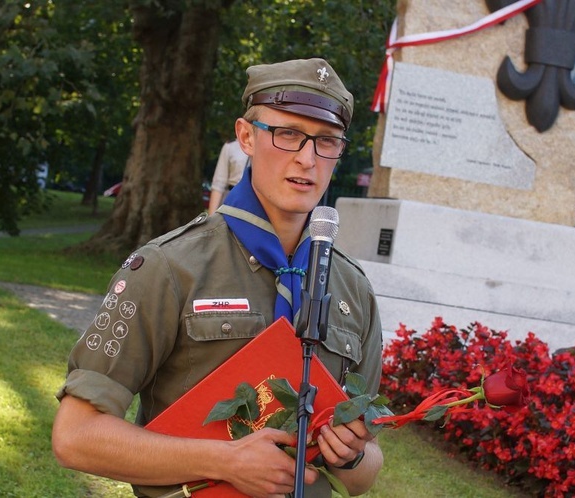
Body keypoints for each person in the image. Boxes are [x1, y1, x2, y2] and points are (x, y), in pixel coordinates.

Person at [52, 58, 384, 498]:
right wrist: (223, 461)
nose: (308, 159)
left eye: (327, 141)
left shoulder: (352, 289)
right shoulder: (169, 267)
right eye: (287, 135)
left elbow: (365, 473)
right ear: (246, 136)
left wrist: (353, 454)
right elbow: (76, 437)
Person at [207, 138, 250, 215]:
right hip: (232, 200)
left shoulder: (266, 148)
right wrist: (211, 218)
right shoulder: (231, 146)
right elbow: (218, 185)